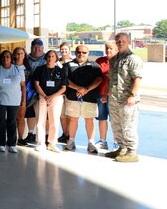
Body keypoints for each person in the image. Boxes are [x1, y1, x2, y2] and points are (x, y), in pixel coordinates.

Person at [105, 33, 144, 162]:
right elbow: (109, 79)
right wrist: (106, 93)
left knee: (128, 126)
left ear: (129, 42)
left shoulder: (133, 59)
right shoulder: (114, 60)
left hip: (127, 99)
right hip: (114, 98)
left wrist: (132, 96)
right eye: (118, 41)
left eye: (123, 40)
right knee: (116, 126)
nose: (120, 43)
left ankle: (132, 152)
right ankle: (121, 148)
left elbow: (137, 79)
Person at [62, 45, 104, 154]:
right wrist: (77, 88)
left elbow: (99, 79)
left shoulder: (94, 66)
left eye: (84, 52)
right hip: (72, 97)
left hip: (89, 98)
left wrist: (87, 89)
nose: (81, 54)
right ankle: (71, 141)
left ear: (88, 53)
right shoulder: (67, 65)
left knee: (89, 120)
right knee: (73, 119)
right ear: (75, 53)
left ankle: (91, 143)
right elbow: (64, 79)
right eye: (79, 52)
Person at [0, 50, 26, 153]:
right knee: (0, 121)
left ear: (11, 59)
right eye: (3, 57)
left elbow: (23, 86)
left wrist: (23, 101)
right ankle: (1, 144)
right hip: (0, 100)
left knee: (12, 121)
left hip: (14, 100)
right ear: (1, 59)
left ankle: (11, 144)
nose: (5, 59)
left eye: (8, 57)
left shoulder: (18, 69)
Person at [31, 50, 66, 152]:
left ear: (56, 58)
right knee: (40, 120)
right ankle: (41, 142)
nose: (50, 58)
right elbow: (36, 84)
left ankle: (52, 143)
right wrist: (45, 96)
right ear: (46, 58)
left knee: (54, 120)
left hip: (56, 98)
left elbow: (64, 87)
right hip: (42, 97)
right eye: (49, 56)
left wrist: (52, 96)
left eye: (53, 56)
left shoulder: (60, 71)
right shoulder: (40, 69)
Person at [22, 38, 47, 145]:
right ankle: (31, 133)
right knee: (30, 113)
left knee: (43, 114)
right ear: (31, 48)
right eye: (34, 47)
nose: (37, 49)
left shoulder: (47, 58)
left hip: (43, 91)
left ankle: (45, 135)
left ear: (43, 48)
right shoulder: (26, 59)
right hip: (29, 91)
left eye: (39, 47)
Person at [96, 40, 118, 150]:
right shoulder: (100, 61)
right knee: (102, 118)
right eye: (107, 48)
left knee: (114, 120)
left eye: (111, 48)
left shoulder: (119, 61)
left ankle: (116, 143)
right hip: (100, 94)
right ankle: (103, 141)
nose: (108, 50)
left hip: (114, 96)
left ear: (117, 49)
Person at [57, 41, 74, 143]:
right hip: (60, 93)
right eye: (62, 49)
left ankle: (70, 134)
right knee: (62, 115)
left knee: (70, 115)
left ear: (69, 51)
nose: (64, 51)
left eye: (65, 49)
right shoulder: (57, 62)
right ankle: (65, 134)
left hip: (70, 93)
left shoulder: (73, 62)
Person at [12, 47, 30, 143]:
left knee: (21, 118)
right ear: (14, 55)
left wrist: (24, 99)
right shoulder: (10, 66)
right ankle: (12, 138)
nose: (19, 55)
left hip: (23, 95)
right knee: (12, 118)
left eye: (21, 53)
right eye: (17, 53)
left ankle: (20, 138)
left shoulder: (27, 68)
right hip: (11, 95)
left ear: (24, 55)